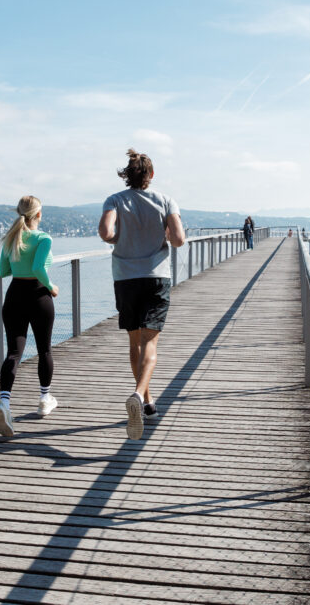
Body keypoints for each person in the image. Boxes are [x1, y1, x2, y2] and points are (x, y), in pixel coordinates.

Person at [99, 149, 185, 439]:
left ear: (128, 174)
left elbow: (105, 232)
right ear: (150, 175)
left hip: (125, 277)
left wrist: (119, 237)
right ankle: (139, 395)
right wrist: (164, 235)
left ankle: (148, 402)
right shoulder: (165, 200)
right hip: (156, 277)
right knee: (151, 343)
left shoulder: (114, 200)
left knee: (134, 341)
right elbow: (179, 240)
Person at [0, 195, 60, 437]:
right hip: (39, 296)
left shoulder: (12, 238)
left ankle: (4, 404)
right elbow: (38, 268)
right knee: (44, 350)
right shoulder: (43, 238)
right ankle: (44, 399)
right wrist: (51, 286)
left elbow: (3, 271)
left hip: (14, 296)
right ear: (39, 215)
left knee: (14, 352)